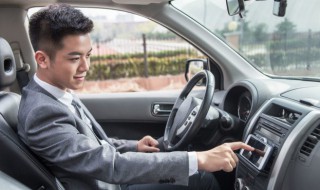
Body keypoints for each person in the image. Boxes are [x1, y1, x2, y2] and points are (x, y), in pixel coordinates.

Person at [17, 4, 254, 190]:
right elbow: (110, 164)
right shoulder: (41, 112)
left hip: (108, 180)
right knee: (201, 179)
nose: (85, 66)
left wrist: (135, 146)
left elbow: (89, 145)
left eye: (88, 55)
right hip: (108, 183)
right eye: (74, 58)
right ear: (42, 59)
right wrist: (197, 159)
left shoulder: (54, 92)